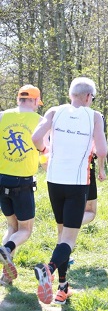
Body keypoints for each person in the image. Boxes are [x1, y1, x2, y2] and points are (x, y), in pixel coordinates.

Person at [31, 77, 108, 305]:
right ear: (87, 96)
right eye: (92, 97)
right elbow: (102, 149)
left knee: (62, 233)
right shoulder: (94, 116)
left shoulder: (55, 111)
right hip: (77, 182)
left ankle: (62, 288)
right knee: (69, 239)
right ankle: (49, 269)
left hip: (54, 180)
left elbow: (36, 138)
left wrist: (46, 149)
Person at [0, 85, 44, 286]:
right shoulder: (40, 121)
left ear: (19, 99)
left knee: (12, 226)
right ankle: (6, 249)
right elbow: (45, 151)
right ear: (35, 101)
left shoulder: (2, 116)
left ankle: (5, 277)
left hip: (2, 179)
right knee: (25, 230)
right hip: (23, 183)